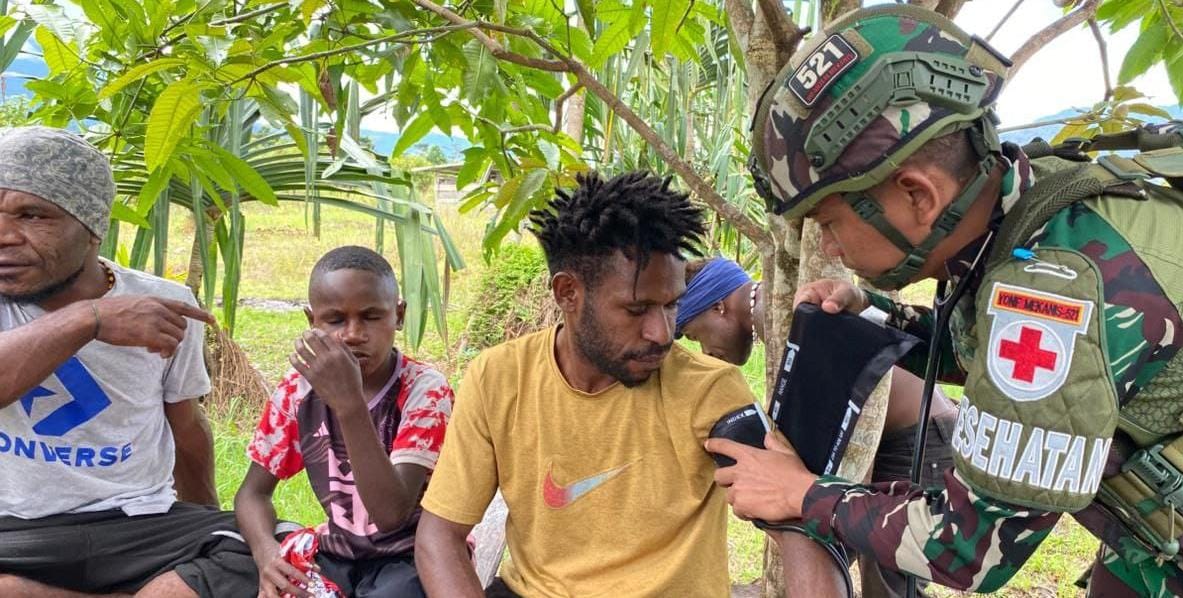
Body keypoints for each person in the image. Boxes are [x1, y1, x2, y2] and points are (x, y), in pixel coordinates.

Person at [709, 4, 1183, 596]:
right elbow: (998, 357)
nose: (827, 245)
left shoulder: (1052, 289)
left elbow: (967, 549)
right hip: (1179, 530)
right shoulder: (1035, 203)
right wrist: (875, 313)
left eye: (830, 221)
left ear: (918, 196)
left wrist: (800, 493)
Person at [415, 171, 837, 597]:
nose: (662, 333)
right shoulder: (499, 377)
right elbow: (440, 535)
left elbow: (795, 528)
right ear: (567, 293)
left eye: (671, 305)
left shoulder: (709, 391)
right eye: (637, 310)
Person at [0, 126, 261, 596]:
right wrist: (90, 319)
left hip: (135, 524)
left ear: (93, 227)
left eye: (32, 214)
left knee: (275, 547)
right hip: (14, 530)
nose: (3, 236)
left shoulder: (164, 305)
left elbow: (186, 426)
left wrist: (205, 530)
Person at [677, 256, 957, 597]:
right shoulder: (776, 305)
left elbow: (846, 420)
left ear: (718, 307)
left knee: (888, 584)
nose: (706, 350)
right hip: (902, 435)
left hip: (919, 440)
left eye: (696, 335)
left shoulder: (775, 318)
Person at [236, 245, 453, 598]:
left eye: (371, 316)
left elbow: (391, 515)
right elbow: (252, 493)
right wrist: (266, 554)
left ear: (398, 315)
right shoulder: (299, 390)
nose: (353, 334)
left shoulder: (424, 391)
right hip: (339, 552)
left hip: (413, 555)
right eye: (335, 320)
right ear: (312, 321)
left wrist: (348, 403)